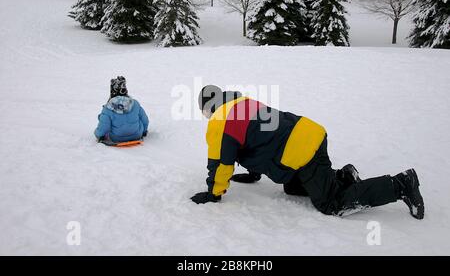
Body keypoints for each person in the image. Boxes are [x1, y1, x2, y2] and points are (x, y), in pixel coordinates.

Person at [190, 85, 425, 219]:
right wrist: (253, 174)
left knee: (330, 204)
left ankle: (401, 185)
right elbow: (257, 138)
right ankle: (343, 177)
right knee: (291, 186)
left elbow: (221, 163)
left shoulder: (219, 122)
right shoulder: (244, 103)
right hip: (308, 131)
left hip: (301, 151)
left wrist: (214, 193)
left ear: (207, 109)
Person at [94, 76, 149, 143]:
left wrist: (99, 135)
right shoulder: (135, 103)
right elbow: (145, 120)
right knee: (138, 116)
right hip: (137, 135)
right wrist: (144, 131)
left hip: (117, 138)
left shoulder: (108, 108)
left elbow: (103, 126)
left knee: (104, 119)